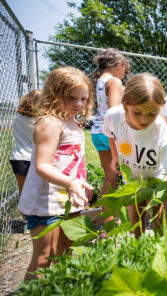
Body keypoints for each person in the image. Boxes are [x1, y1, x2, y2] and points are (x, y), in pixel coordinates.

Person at [18, 67, 94, 281]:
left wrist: (78, 186)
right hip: (46, 203)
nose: (78, 104)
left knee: (65, 253)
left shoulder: (73, 123)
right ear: (54, 94)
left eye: (83, 99)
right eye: (71, 98)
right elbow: (42, 165)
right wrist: (70, 182)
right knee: (44, 258)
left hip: (67, 200)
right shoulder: (50, 123)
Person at [103, 73, 167, 238]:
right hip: (132, 177)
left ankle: (158, 249)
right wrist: (115, 156)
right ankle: (137, 250)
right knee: (134, 218)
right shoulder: (114, 116)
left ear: (161, 108)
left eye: (152, 114)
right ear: (125, 104)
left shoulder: (162, 132)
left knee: (158, 217)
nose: (144, 119)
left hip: (155, 177)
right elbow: (111, 134)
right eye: (137, 112)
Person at [90, 48, 130, 212]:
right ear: (117, 64)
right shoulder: (114, 81)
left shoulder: (99, 80)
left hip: (97, 132)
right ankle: (130, 213)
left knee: (110, 176)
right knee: (129, 176)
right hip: (112, 134)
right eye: (125, 70)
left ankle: (106, 217)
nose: (125, 73)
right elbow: (114, 111)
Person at [9, 89, 42, 220]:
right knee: (38, 191)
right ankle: (38, 217)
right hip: (35, 158)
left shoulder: (17, 119)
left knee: (23, 192)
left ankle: (25, 221)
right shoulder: (40, 120)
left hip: (18, 157)